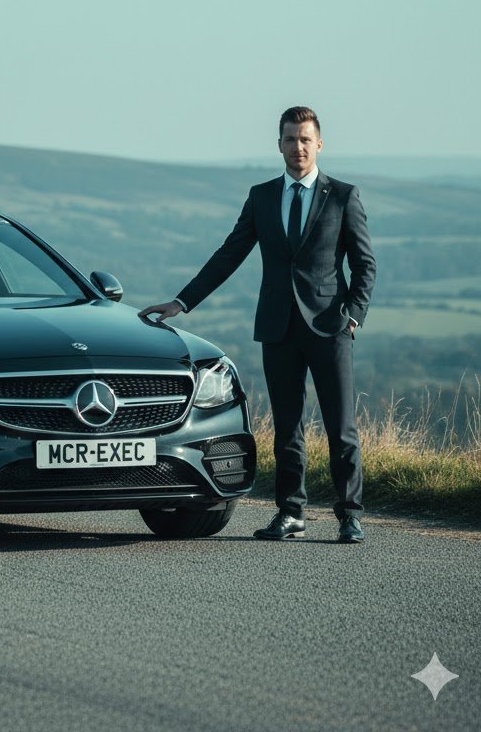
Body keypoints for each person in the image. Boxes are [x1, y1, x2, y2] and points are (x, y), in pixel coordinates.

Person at [140, 106, 377, 544]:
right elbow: (229, 254)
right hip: (278, 328)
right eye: (290, 139)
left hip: (331, 328)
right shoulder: (262, 196)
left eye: (306, 139)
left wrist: (353, 315)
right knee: (287, 428)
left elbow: (365, 264)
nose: (298, 147)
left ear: (319, 144)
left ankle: (350, 515)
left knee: (340, 427)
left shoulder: (343, 196)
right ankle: (291, 514)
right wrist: (182, 301)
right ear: (279, 144)